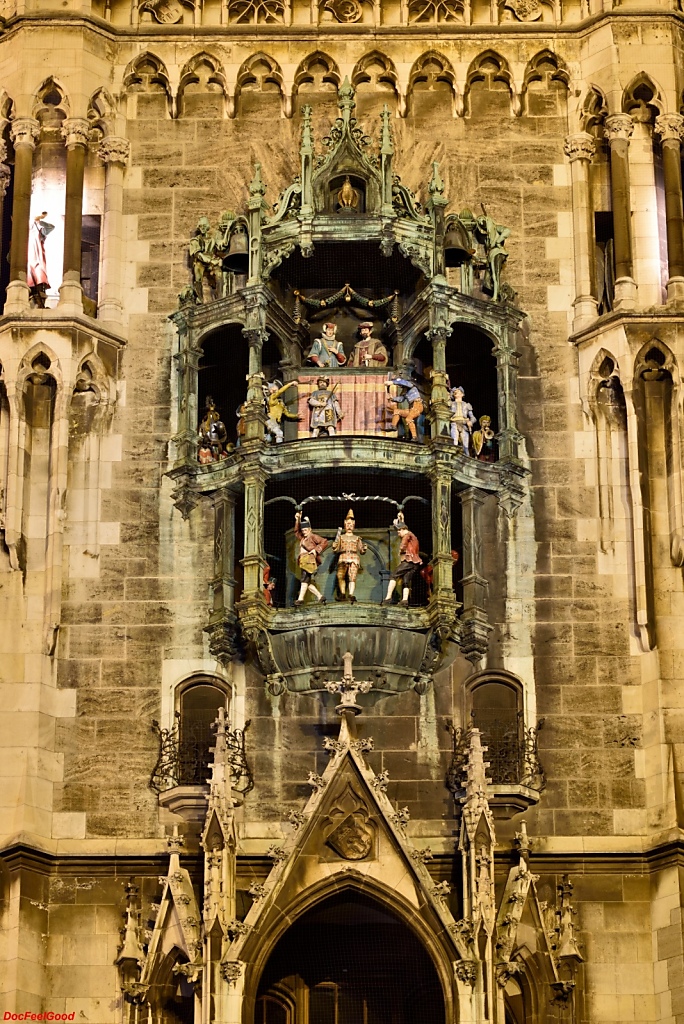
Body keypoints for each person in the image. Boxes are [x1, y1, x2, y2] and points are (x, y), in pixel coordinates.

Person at [382, 512, 422, 608]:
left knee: (393, 575)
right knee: (406, 581)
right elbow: (403, 528)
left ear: (403, 530)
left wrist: (401, 549)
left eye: (399, 531)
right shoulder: (412, 536)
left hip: (409, 560)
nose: (398, 533)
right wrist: (401, 520)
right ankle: (405, 600)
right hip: (415, 563)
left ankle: (388, 598)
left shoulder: (407, 535)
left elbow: (403, 544)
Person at [294, 511, 328, 605]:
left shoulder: (312, 536)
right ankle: (320, 596)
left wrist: (316, 550)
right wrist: (298, 519)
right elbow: (297, 532)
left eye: (305, 530)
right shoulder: (303, 538)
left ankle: (300, 599)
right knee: (307, 582)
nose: (304, 532)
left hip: (309, 560)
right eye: (303, 530)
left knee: (304, 579)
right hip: (303, 561)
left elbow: (324, 541)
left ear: (309, 529)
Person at [332, 509, 367, 603]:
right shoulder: (341, 537)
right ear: (345, 525)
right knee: (340, 576)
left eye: (351, 524)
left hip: (353, 558)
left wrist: (364, 548)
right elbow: (336, 549)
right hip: (343, 557)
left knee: (352, 577)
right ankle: (343, 594)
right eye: (348, 524)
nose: (349, 526)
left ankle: (351, 594)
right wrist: (335, 547)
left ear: (354, 525)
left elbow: (361, 550)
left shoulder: (357, 538)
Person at [27, 212, 54, 308]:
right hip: (27, 267)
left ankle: (40, 304)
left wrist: (39, 221)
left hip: (38, 264)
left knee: (39, 282)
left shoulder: (38, 232)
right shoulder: (21, 237)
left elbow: (50, 227)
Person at [386, 377, 424, 441]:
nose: (400, 386)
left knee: (408, 419)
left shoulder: (410, 385)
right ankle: (393, 426)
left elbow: (403, 382)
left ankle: (415, 437)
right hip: (412, 408)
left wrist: (392, 382)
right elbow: (401, 399)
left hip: (417, 405)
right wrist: (392, 399)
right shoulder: (406, 391)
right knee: (397, 411)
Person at [263, 379, 299, 444]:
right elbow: (280, 391)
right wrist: (290, 383)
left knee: (269, 438)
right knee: (279, 433)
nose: (275, 389)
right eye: (272, 388)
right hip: (271, 420)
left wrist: (296, 415)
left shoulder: (280, 403)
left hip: (276, 422)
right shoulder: (272, 398)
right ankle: (278, 446)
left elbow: (287, 414)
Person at [449, 386, 477, 455]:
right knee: (454, 443)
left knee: (465, 447)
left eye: (459, 391)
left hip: (464, 425)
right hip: (454, 423)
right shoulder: (450, 404)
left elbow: (473, 418)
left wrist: (470, 422)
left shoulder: (466, 405)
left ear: (462, 394)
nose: (456, 392)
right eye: (455, 392)